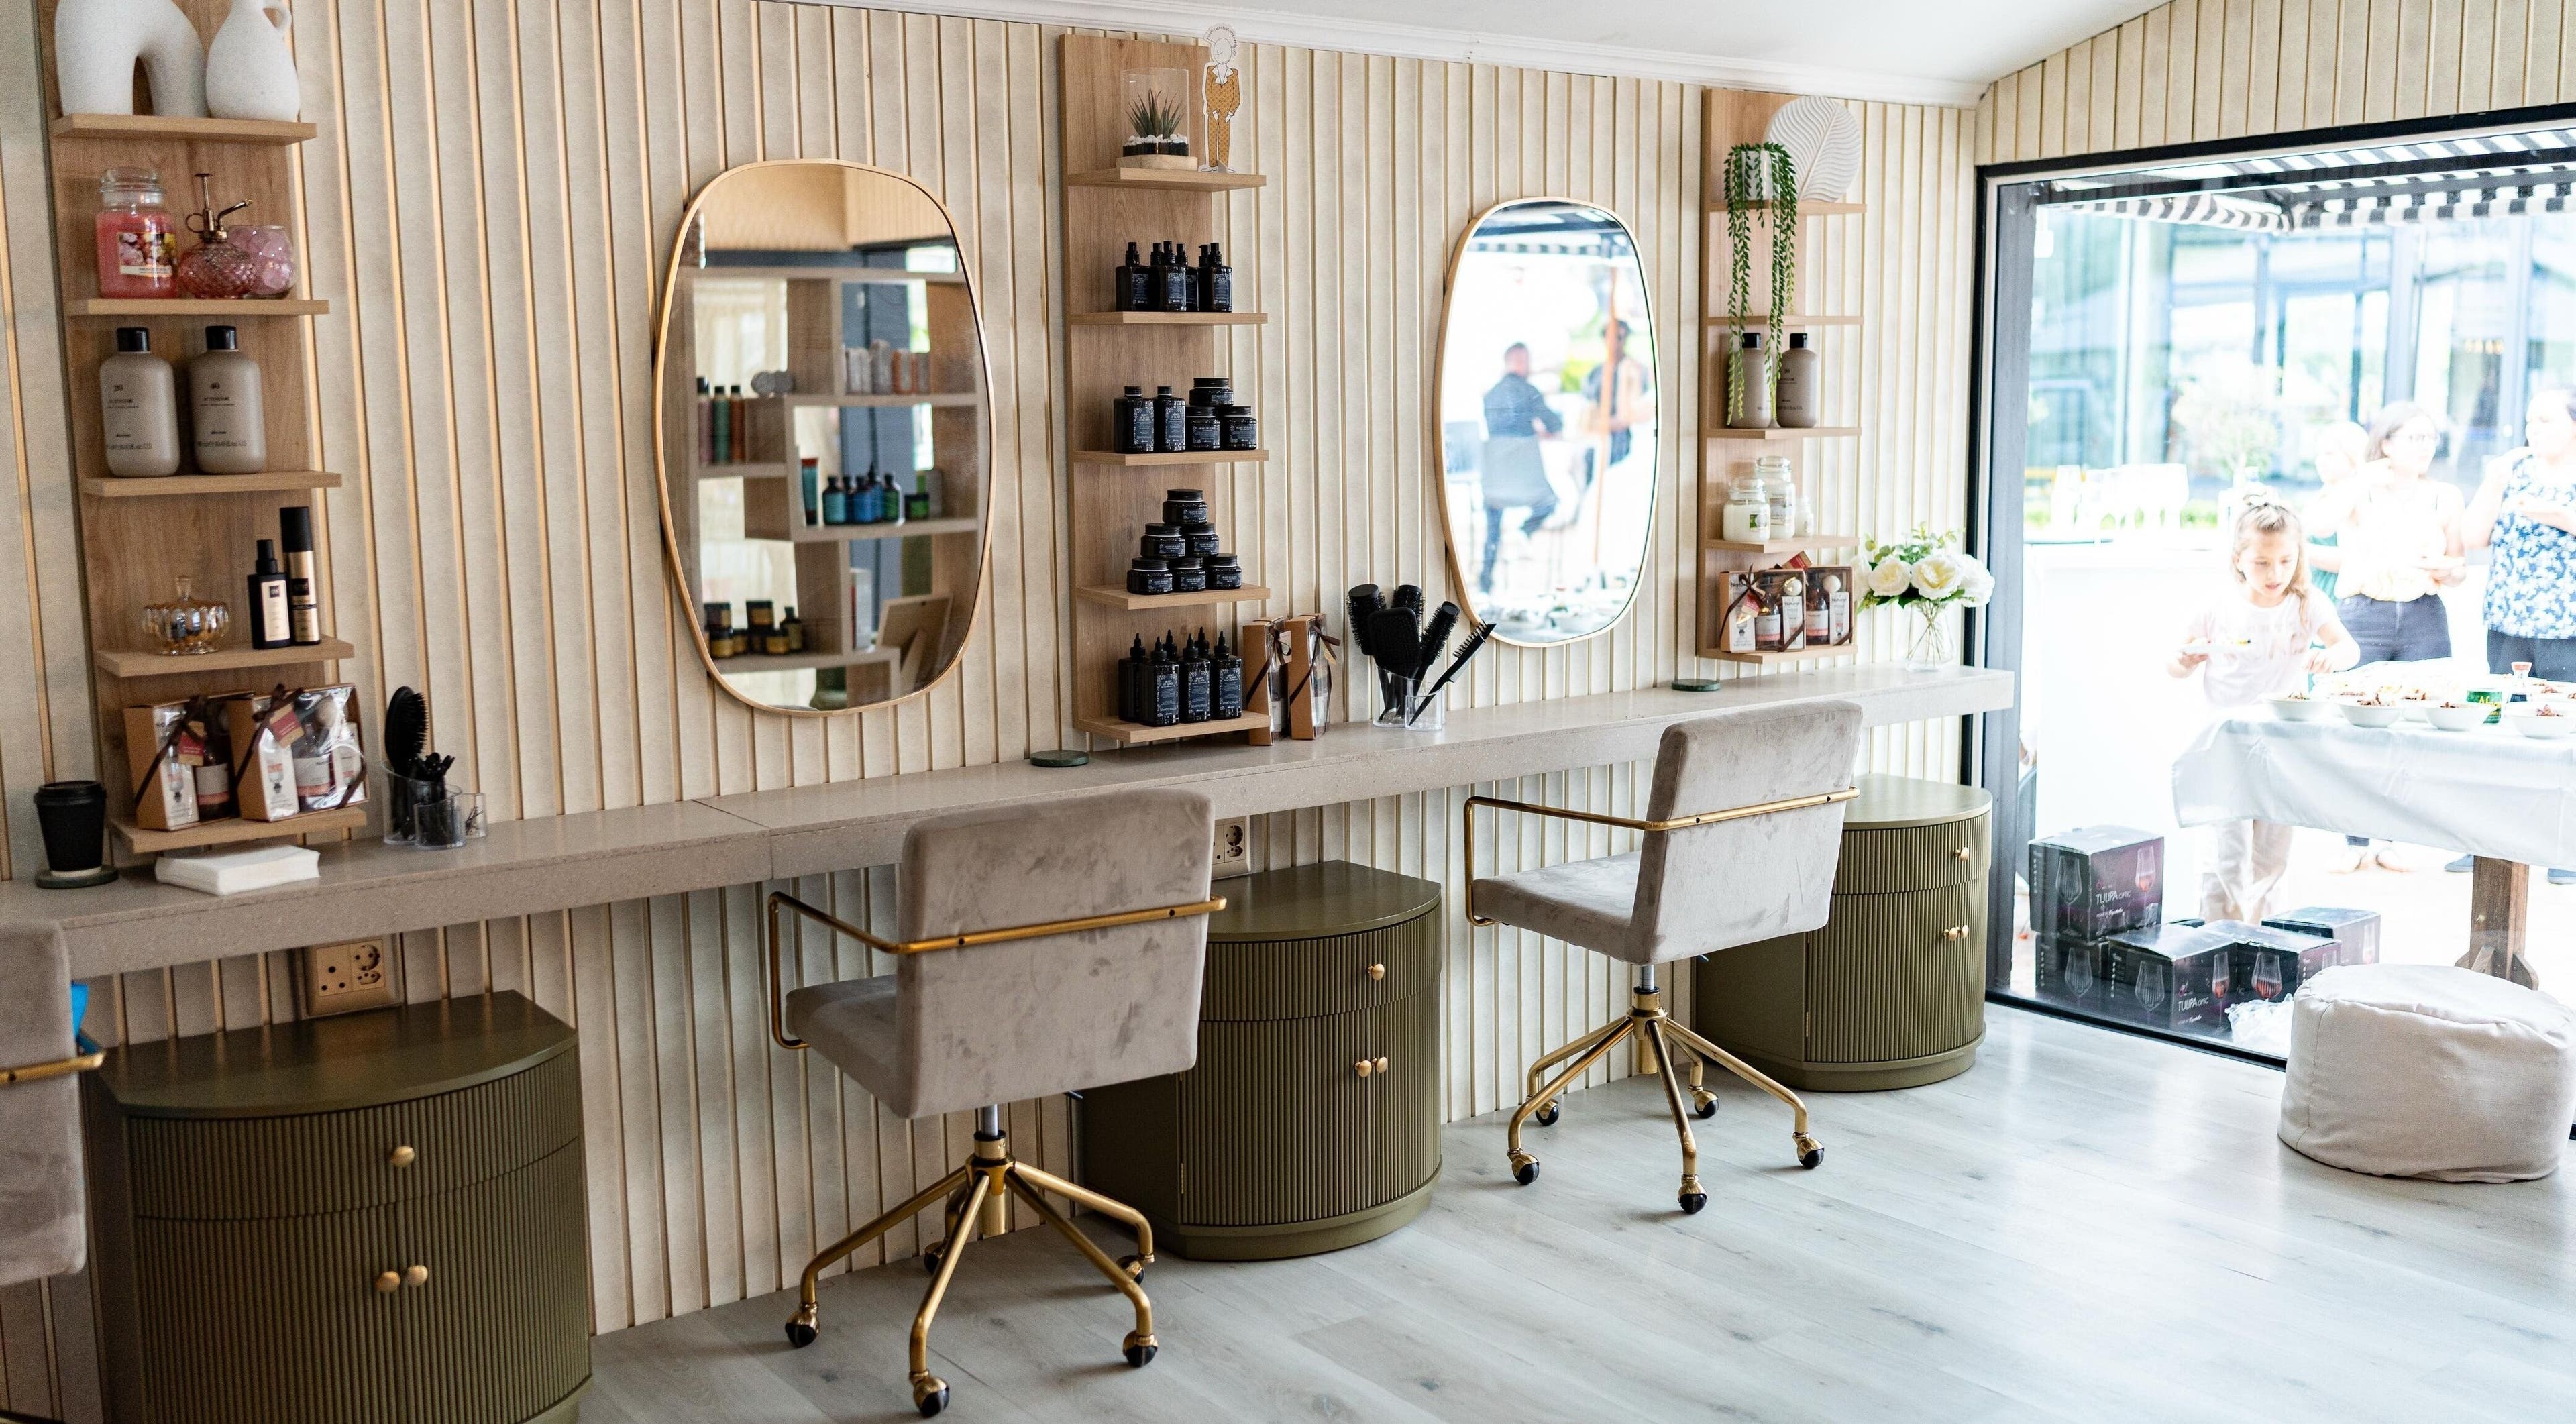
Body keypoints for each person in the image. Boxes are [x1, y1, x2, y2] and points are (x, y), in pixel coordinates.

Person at [2167, 497, 2360, 924]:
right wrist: (2185, 659)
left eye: (2286, 562)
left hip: (2281, 743)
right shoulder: (2217, 606)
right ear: (2238, 559)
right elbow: (2174, 664)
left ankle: (2262, 938)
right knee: (2226, 851)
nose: (2275, 574)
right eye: (2262, 563)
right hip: (2224, 743)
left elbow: (2348, 648)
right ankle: (2218, 938)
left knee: (2273, 855)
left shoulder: (2307, 603)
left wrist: (2332, 657)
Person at [2304, 402, 2463, 873]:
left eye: (2430, 438)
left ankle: (2393, 838)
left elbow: (2458, 566)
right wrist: (2359, 478)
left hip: (2423, 614)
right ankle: (2353, 840)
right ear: (2387, 442)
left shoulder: (2445, 495)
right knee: (2353, 724)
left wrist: (2446, 570)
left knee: (2415, 726)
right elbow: (2319, 526)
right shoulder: (2361, 488)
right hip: (2364, 611)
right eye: (2413, 437)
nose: (2424, 447)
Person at [2457, 386, 2576, 885]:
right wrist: (2493, 482)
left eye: (2547, 419)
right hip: (2507, 620)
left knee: (2563, 733)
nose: (2534, 429)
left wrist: (2559, 517)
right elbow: (2471, 538)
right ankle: (2488, 843)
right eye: (2531, 420)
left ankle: (2564, 847)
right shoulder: (2512, 471)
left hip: (2566, 625)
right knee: (2498, 726)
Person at [1478, 342, 1561, 592]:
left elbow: (1501, 430)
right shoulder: (1529, 392)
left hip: (1495, 485)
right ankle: (1525, 528)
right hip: (1527, 487)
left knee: (1493, 525)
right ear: (1519, 361)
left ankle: (1485, 577)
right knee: (1551, 502)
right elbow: (1555, 424)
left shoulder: (1491, 395)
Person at [2302, 419, 2369, 603]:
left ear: (2353, 457)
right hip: (2315, 594)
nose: (2320, 461)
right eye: (2319, 454)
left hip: (2344, 599)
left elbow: (2356, 560)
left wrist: (2295, 549)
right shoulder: (2320, 496)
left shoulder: (2361, 497)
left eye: (2329, 454)